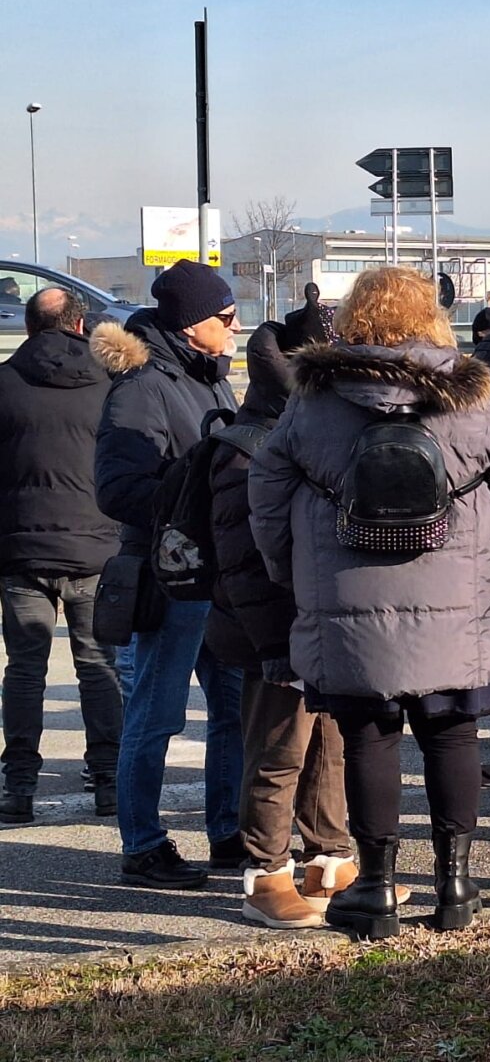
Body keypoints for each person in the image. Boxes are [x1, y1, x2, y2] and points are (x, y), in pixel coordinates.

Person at [249, 267, 490, 937]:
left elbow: (265, 491)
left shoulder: (314, 398)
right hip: (455, 599)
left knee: (369, 740)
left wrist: (289, 569)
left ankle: (375, 888)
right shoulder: (471, 396)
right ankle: (456, 885)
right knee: (452, 734)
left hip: (347, 597)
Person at [204, 311, 361, 929]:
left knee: (329, 743)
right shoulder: (251, 446)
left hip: (314, 620)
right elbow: (243, 566)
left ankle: (329, 859)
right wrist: (276, 647)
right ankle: (264, 874)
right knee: (277, 750)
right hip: (271, 628)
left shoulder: (308, 431)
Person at [93, 261, 244, 889]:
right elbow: (117, 488)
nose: (236, 327)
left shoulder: (213, 380)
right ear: (190, 325)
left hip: (222, 576)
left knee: (235, 710)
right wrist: (195, 491)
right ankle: (143, 845)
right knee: (156, 714)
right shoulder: (141, 387)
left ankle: (230, 833)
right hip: (170, 574)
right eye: (226, 317)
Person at [0, 289, 122, 827]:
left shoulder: (4, 381)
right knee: (97, 666)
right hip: (96, 547)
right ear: (80, 326)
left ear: (29, 328)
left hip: (21, 549)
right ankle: (110, 782)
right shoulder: (109, 383)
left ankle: (19, 786)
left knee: (25, 670)